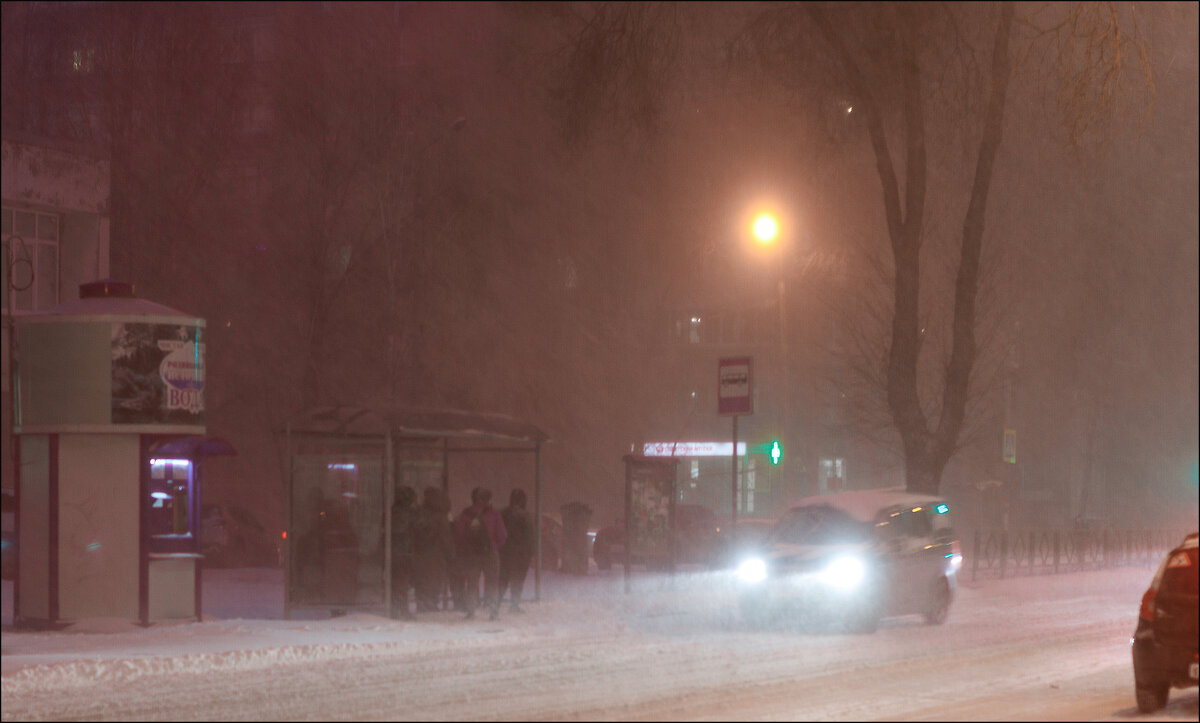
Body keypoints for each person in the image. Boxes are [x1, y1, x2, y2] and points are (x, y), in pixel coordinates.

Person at [454, 487, 506, 620]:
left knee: (471, 582)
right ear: (489, 499)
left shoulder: (466, 514)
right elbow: (503, 535)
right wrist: (493, 546)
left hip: (472, 555)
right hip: (489, 553)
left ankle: (471, 611)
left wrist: (466, 548)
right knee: (492, 582)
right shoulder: (494, 514)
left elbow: (459, 535)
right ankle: (493, 611)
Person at [413, 485, 454, 612]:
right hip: (436, 555)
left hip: (420, 554)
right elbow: (446, 539)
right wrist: (451, 554)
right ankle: (430, 603)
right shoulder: (441, 517)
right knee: (434, 580)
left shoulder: (419, 513)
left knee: (423, 580)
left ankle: (423, 602)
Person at [498, 488, 533, 613]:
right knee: (518, 579)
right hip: (520, 554)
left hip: (505, 552)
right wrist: (530, 552)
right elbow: (530, 536)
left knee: (503, 578)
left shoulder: (503, 513)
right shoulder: (525, 516)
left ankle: (495, 602)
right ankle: (514, 604)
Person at [389, 485, 418, 620]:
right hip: (404, 551)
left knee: (396, 582)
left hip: (394, 551)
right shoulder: (408, 514)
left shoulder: (392, 512)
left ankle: (395, 608)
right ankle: (402, 609)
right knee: (402, 582)